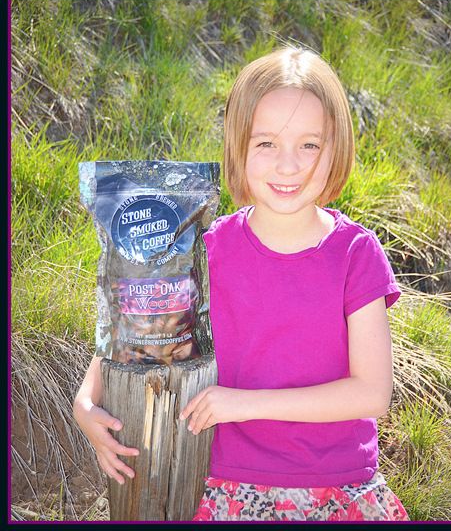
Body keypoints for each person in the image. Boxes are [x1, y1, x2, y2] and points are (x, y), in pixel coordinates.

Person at [73, 46, 409, 521]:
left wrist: (243, 404)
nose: (288, 165)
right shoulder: (208, 249)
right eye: (266, 143)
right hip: (229, 485)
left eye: (310, 144)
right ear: (238, 147)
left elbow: (372, 392)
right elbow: (141, 329)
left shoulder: (355, 253)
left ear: (338, 147)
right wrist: (85, 403)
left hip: (339, 484)